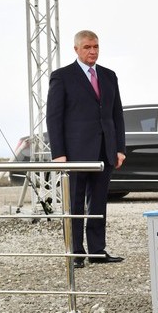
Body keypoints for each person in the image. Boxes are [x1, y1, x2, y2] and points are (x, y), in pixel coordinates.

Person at [46, 30, 126, 268]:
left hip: (105, 151)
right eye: (88, 47)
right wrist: (58, 154)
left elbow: (116, 115)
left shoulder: (109, 76)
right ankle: (76, 253)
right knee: (75, 204)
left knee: (99, 203)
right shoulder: (62, 77)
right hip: (75, 154)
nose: (93, 51)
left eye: (96, 47)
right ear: (76, 49)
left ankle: (97, 251)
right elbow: (54, 117)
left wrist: (119, 148)